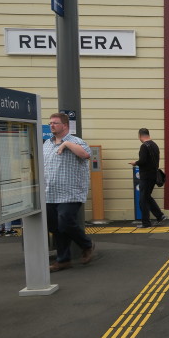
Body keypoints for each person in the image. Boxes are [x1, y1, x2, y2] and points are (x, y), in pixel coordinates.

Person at [44, 112, 95, 272]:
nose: (51, 125)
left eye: (55, 123)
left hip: (70, 193)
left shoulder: (77, 142)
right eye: (50, 123)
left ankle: (87, 245)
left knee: (65, 220)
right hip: (50, 194)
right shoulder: (47, 144)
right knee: (56, 227)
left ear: (65, 125)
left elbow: (86, 155)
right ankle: (63, 259)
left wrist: (66, 144)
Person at [129, 128, 167, 228]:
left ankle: (146, 223)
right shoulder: (155, 145)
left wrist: (135, 163)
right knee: (147, 197)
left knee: (142, 200)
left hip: (145, 176)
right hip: (153, 175)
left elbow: (143, 161)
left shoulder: (144, 146)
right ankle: (160, 216)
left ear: (140, 136)